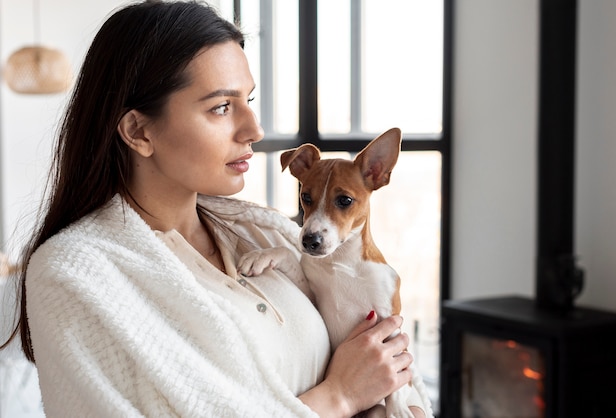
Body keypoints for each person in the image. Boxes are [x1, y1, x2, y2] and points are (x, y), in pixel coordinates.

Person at [1, 1, 431, 417]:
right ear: (137, 130)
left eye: (250, 100)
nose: (254, 129)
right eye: (222, 107)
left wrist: (395, 402)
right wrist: (338, 398)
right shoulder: (74, 272)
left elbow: (397, 377)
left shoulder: (268, 235)